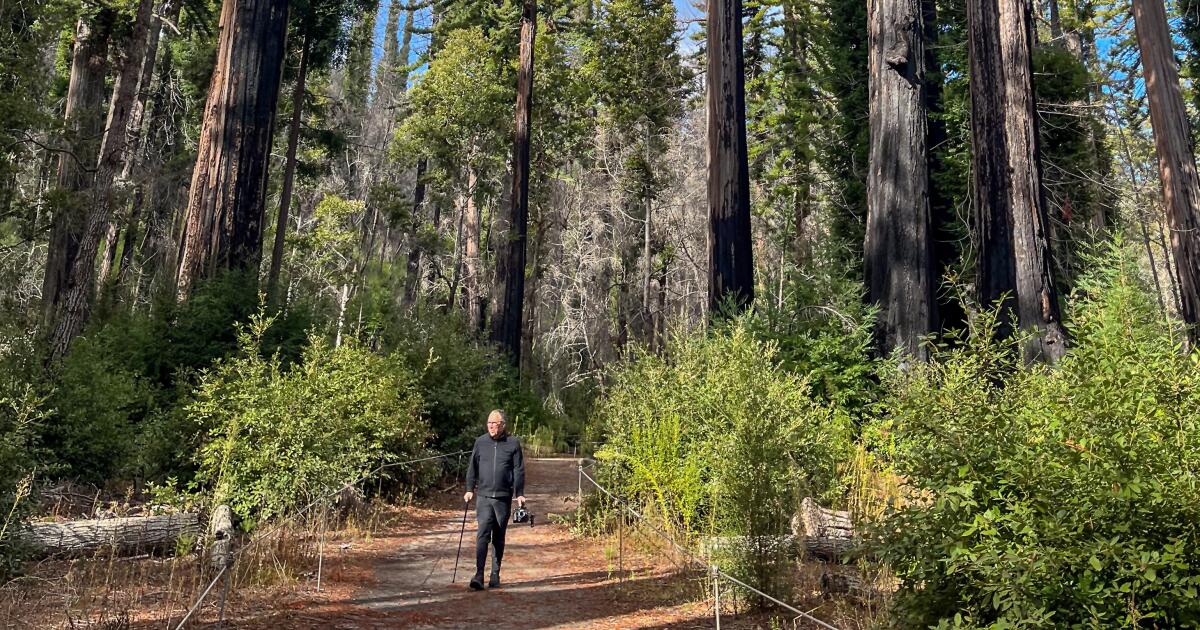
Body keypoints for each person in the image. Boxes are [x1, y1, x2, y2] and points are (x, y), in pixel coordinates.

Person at [463, 409, 526, 591]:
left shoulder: (513, 443)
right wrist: (469, 489)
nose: (491, 426)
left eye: (495, 423)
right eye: (489, 423)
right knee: (482, 534)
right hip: (483, 497)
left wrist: (519, 493)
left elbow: (518, 470)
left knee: (498, 536)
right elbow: (472, 467)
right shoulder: (480, 442)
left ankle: (495, 574)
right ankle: (479, 574)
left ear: (503, 425)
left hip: (502, 498)